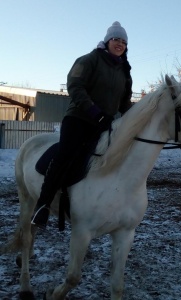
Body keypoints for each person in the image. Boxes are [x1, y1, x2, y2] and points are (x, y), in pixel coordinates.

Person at [31, 21, 133, 229]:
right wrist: (95, 112)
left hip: (105, 125)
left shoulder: (124, 70)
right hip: (79, 119)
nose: (120, 44)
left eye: (123, 41)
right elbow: (75, 86)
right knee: (65, 156)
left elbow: (124, 103)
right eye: (116, 39)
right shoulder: (89, 60)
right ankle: (42, 205)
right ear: (107, 41)